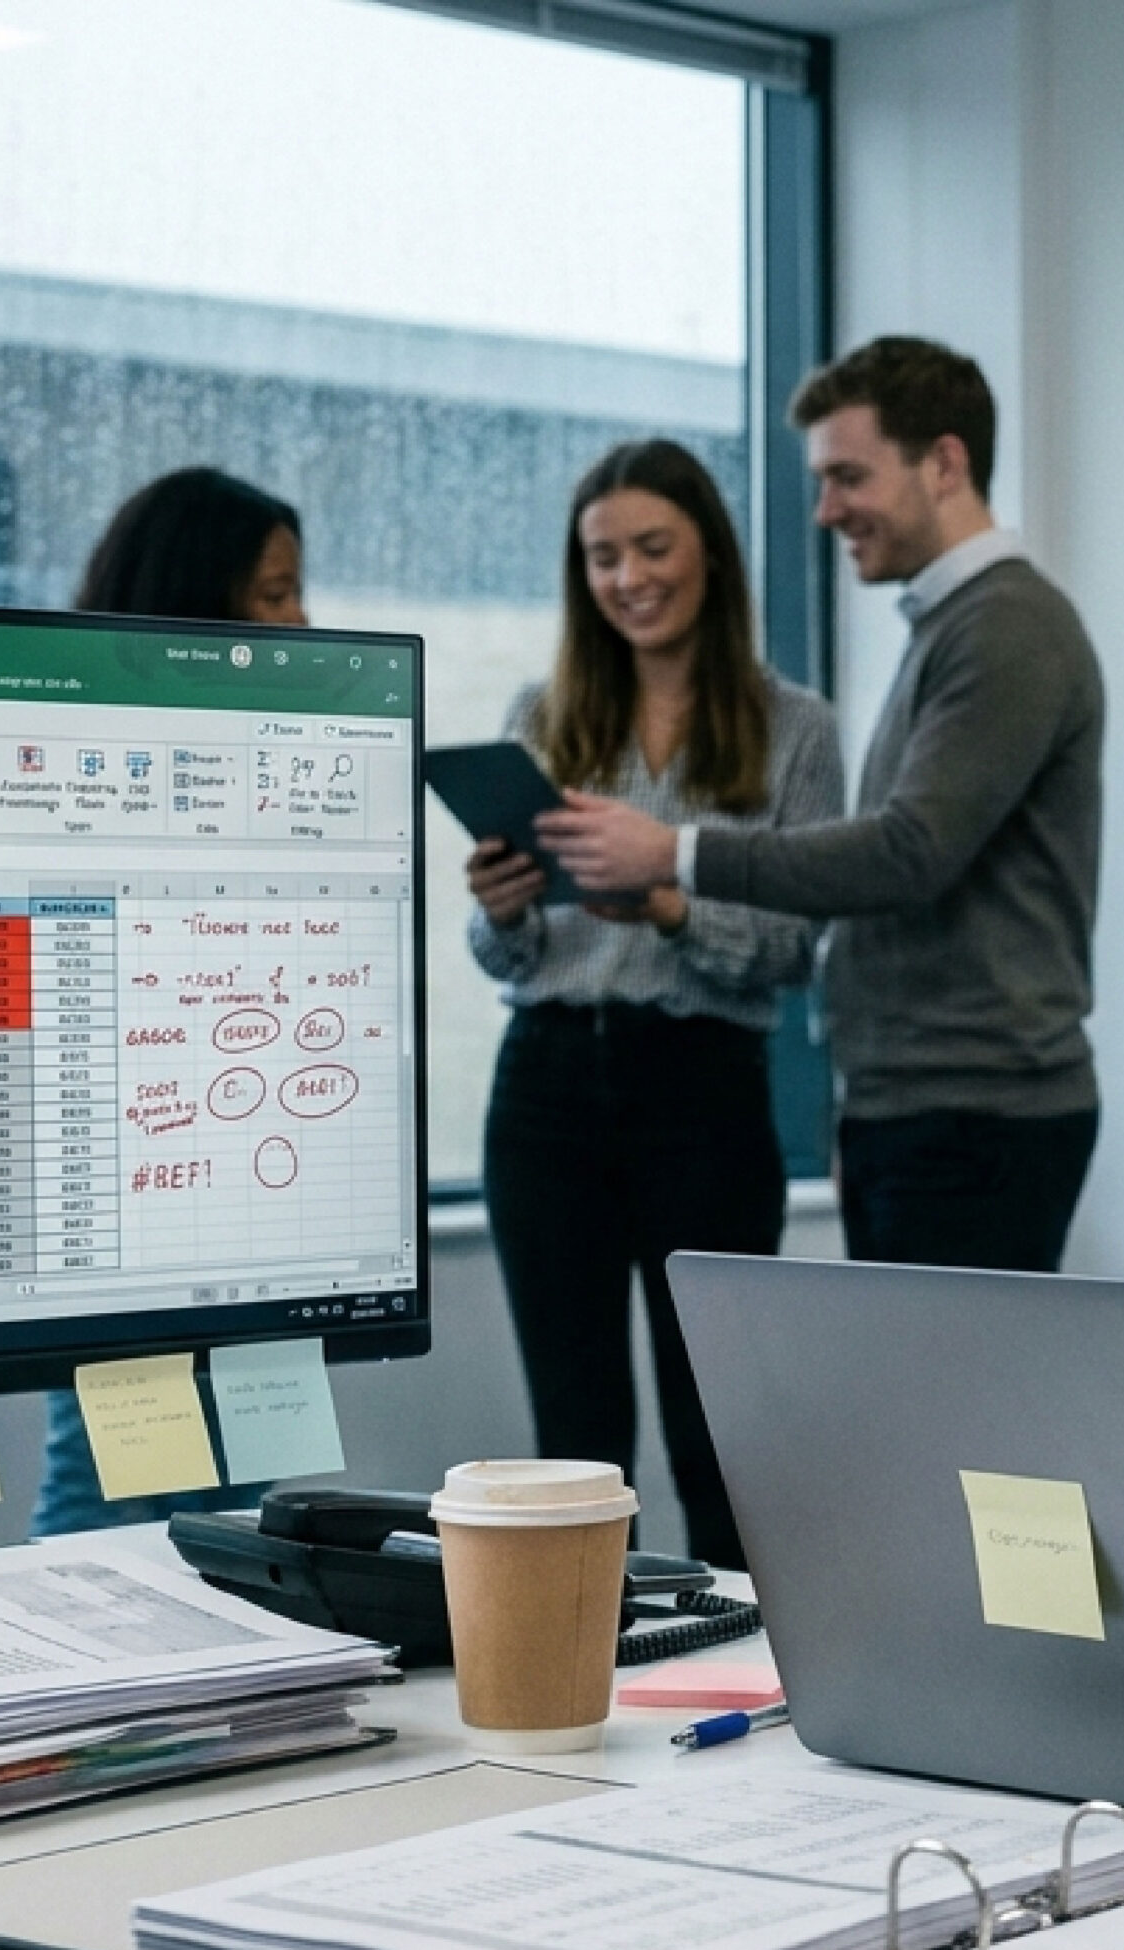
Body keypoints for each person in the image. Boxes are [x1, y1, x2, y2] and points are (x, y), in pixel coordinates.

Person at [538, 338, 1105, 1274]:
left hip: (977, 1113)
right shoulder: (955, 625)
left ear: (945, 462)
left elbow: (906, 853)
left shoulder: (1008, 627)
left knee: (930, 1421)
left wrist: (672, 855)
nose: (825, 509)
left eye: (848, 476)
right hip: (918, 1105)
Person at [468, 440, 842, 1571]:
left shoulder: (797, 731)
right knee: (573, 1443)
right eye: (601, 557)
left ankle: (745, 1679)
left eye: (651, 547)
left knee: (717, 1435)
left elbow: (790, 950)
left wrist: (670, 903)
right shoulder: (544, 713)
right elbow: (504, 958)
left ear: (709, 556)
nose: (628, 576)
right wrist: (500, 906)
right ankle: (579, 1677)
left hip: (703, 1098)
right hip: (545, 1087)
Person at [31, 467, 310, 1537]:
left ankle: (269, 1686)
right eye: (276, 593)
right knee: (109, 1456)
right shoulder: (87, 755)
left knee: (261, 1481)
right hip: (133, 1167)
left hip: (259, 1152)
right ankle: (63, 1677)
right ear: (205, 602)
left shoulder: (280, 753)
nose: (299, 619)